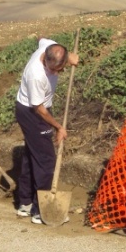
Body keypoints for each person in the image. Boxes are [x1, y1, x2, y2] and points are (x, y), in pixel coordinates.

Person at [14, 37, 79, 224]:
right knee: (46, 159)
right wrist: (58, 127)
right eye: (52, 69)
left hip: (35, 108)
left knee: (31, 155)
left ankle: (25, 202)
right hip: (33, 113)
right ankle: (39, 210)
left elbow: (41, 38)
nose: (55, 73)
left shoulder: (47, 46)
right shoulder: (36, 75)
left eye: (59, 69)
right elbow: (39, 109)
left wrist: (71, 57)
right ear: (45, 60)